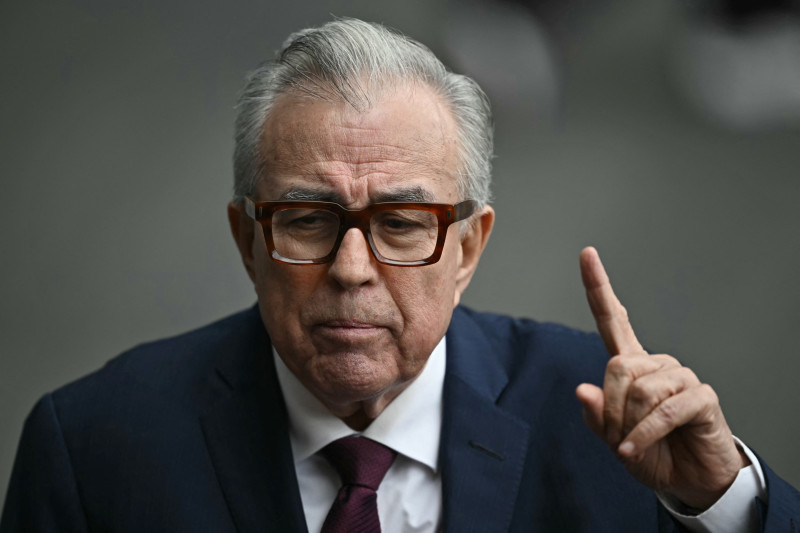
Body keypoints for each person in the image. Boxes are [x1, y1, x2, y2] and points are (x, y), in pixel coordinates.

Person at [1, 18, 798, 533]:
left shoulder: (614, 432)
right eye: (307, 219)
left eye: (402, 223)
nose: (353, 270)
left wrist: (723, 503)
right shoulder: (91, 451)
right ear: (247, 240)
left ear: (467, 249)